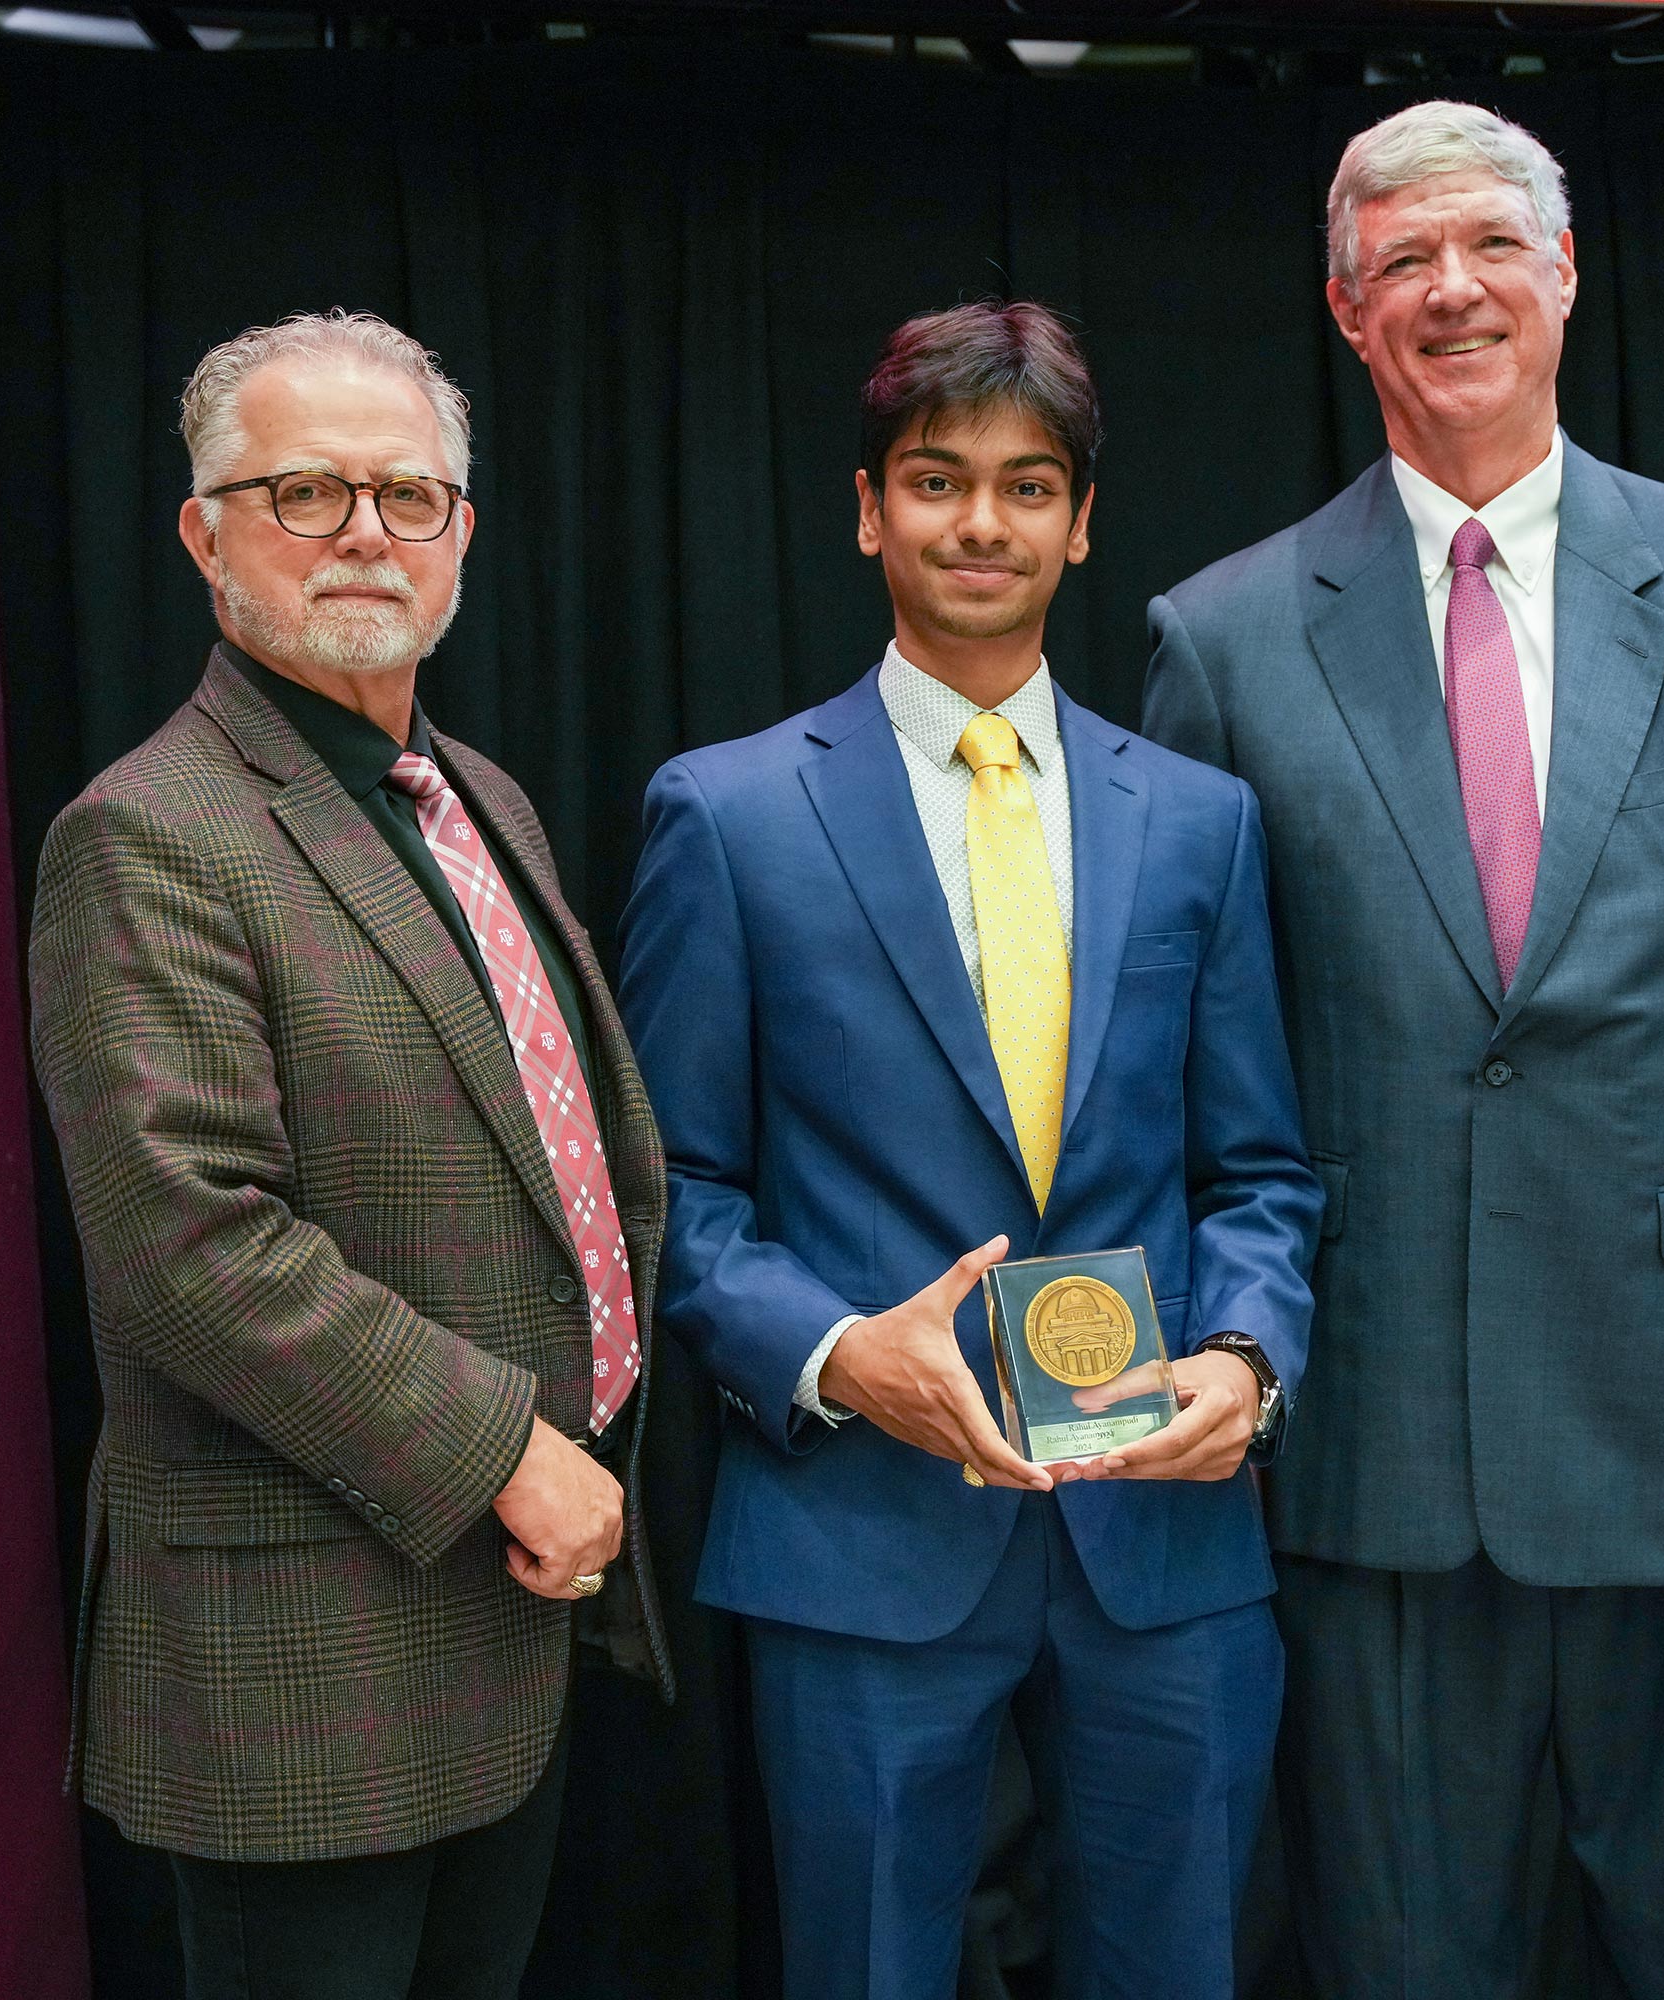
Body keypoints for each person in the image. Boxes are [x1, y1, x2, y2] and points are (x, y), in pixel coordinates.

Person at [1144, 100, 1664, 1999]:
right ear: (1346, 313)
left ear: (1567, 277)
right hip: (1376, 1429)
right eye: (1403, 260)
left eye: (1493, 244)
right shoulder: (1225, 634)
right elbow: (1194, 1065)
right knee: (1399, 1954)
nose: (1454, 289)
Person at [619, 300, 1320, 2000]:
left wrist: (1246, 1356)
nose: (982, 524)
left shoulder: (1200, 821)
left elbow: (1259, 1174)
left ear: (1083, 524)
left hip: (1160, 1542)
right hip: (860, 1533)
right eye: (938, 482)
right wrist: (845, 1355)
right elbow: (675, 1198)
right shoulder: (728, 814)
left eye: (1027, 486)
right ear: (870, 510)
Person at [28, 310, 671, 2000]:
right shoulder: (148, 832)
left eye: (408, 494)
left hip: (500, 1625)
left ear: (465, 529)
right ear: (203, 532)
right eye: (303, 492)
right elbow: (192, 1246)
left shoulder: (480, 803)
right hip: (300, 1668)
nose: (366, 533)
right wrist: (511, 1452)